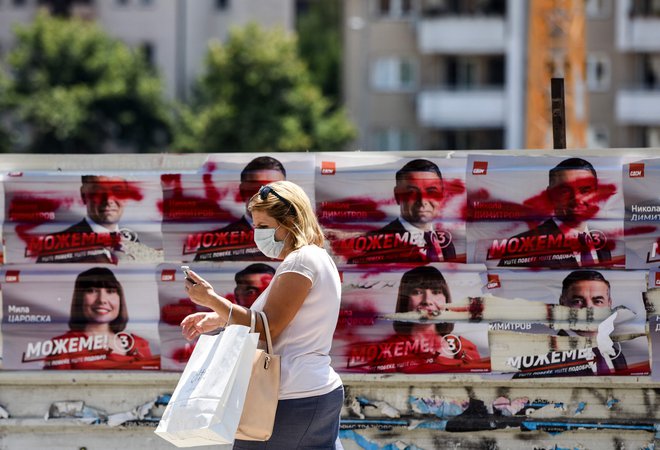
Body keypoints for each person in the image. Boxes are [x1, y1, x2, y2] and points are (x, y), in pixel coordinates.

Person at [181, 180, 344, 449]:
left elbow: (268, 327)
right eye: (255, 226)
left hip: (288, 396)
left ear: (290, 220)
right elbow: (287, 318)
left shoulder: (300, 261)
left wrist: (210, 299)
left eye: (264, 226)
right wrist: (220, 318)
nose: (257, 234)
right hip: (309, 392)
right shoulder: (315, 257)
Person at [346, 266, 483, 374]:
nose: (427, 301)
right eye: (417, 292)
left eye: (435, 292)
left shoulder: (466, 347)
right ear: (405, 301)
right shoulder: (386, 352)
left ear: (446, 299)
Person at [497, 158, 612, 268]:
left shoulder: (602, 245)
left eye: (585, 191)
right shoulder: (520, 248)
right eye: (565, 191)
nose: (577, 199)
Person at [44, 267, 158, 370]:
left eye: (110, 291)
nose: (102, 299)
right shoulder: (63, 345)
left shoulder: (137, 343)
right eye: (92, 291)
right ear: (80, 298)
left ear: (119, 298)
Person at [348, 159, 457, 264]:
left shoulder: (446, 243)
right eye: (412, 193)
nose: (422, 200)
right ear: (397, 195)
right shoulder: (374, 244)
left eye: (431, 191)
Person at [34, 175, 161, 263]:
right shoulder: (55, 247)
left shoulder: (139, 246)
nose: (108, 200)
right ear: (84, 195)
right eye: (99, 192)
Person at [194, 156, 287, 261]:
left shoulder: (301, 239)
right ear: (242, 192)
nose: (267, 196)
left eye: (276, 189)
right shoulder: (214, 244)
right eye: (257, 188)